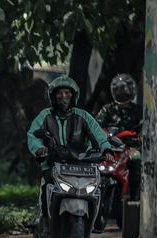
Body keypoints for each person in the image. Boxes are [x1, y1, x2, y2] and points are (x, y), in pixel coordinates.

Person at [26, 76, 115, 224]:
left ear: (73, 95)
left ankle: (95, 220)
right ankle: (45, 221)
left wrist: (106, 150)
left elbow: (99, 135)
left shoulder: (83, 116)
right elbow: (32, 135)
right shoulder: (45, 116)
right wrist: (39, 149)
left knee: (98, 187)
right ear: (53, 96)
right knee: (46, 187)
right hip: (53, 164)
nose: (63, 96)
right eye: (59, 93)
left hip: (82, 166)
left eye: (67, 93)